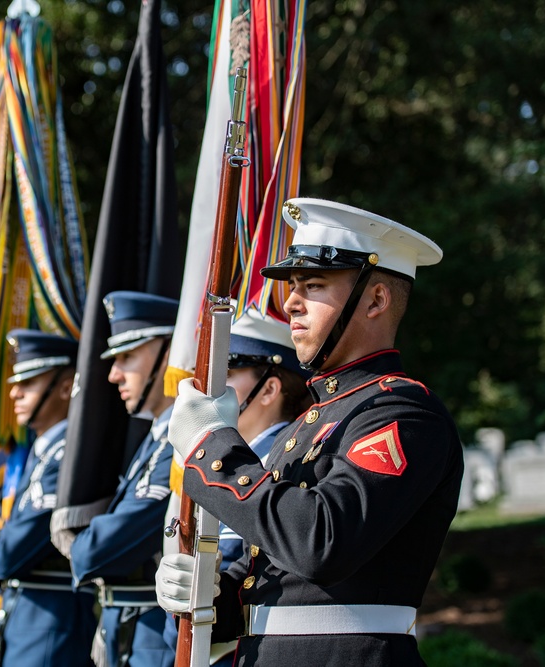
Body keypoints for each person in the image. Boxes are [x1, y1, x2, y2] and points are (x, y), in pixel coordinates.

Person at [158, 198, 464, 666]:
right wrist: (203, 595)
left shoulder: (401, 414)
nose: (291, 303)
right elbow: (271, 580)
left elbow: (320, 542)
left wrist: (212, 446)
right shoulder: (308, 424)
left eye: (314, 284)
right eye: (293, 285)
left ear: (376, 299)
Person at [158, 305, 313, 665]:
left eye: (226, 372)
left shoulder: (283, 464)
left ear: (269, 388)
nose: (208, 386)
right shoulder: (213, 462)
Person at [68, 291, 179, 667]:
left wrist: (80, 545)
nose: (114, 373)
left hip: (151, 639)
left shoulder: (180, 444)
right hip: (128, 633)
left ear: (171, 353)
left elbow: (101, 549)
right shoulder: (157, 438)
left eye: (128, 357)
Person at [0, 329, 97, 667]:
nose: (14, 392)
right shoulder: (42, 452)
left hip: (52, 624)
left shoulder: (67, 457)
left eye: (29, 383)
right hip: (27, 616)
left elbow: (6, 557)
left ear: (66, 388)